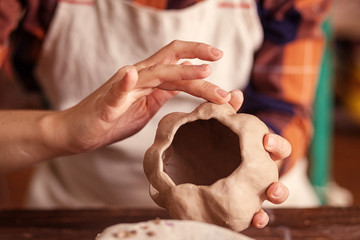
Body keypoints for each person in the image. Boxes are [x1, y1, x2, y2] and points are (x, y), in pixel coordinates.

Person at [0, 0, 329, 229]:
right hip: (80, 201)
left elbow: (284, 107)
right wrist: (62, 130)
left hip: (258, 210)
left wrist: (267, 160)